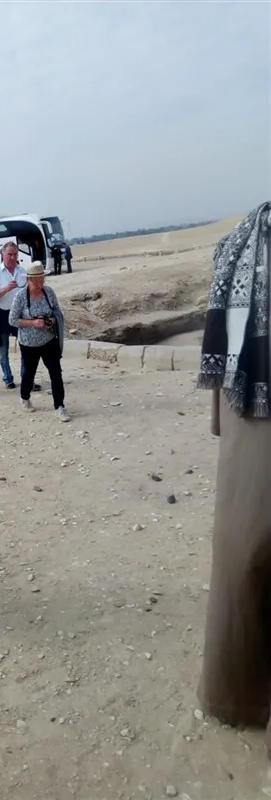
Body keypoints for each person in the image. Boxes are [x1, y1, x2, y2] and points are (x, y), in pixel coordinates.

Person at [196, 203, 271, 749]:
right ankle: (239, 694)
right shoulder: (245, 241)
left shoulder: (240, 243)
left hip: (246, 411)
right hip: (254, 416)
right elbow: (229, 344)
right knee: (246, 555)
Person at [9, 260, 71, 422]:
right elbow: (12, 320)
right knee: (29, 374)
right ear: (28, 280)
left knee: (56, 373)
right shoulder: (20, 296)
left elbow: (57, 311)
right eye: (36, 282)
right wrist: (33, 323)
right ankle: (25, 397)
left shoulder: (48, 292)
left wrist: (51, 321)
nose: (39, 285)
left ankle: (60, 407)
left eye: (42, 281)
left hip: (49, 340)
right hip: (28, 344)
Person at [0, 240, 40, 392]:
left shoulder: (23, 271)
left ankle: (27, 380)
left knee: (26, 347)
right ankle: (8, 379)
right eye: (9, 254)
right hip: (0, 314)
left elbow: (30, 293)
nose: (12, 257)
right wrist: (5, 289)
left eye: (15, 254)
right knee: (3, 350)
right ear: (2, 254)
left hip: (19, 314)